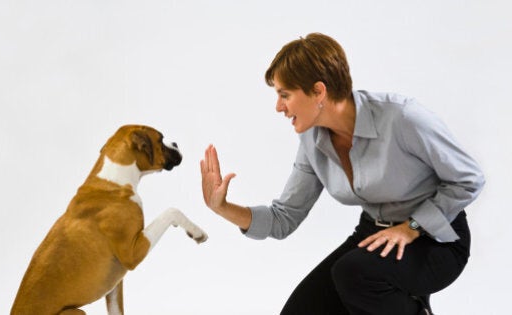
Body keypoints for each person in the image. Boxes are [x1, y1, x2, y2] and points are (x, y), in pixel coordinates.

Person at [199, 33, 484, 315]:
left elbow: (469, 179)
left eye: (285, 94)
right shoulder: (312, 140)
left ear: (318, 91)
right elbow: (283, 218)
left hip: (437, 239)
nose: (279, 107)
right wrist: (222, 207)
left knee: (353, 273)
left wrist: (411, 227)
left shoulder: (402, 117)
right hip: (374, 234)